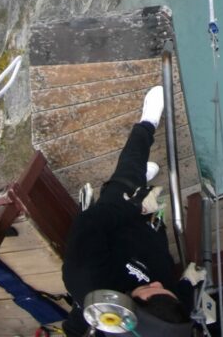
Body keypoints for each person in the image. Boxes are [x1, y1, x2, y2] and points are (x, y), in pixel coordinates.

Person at [62, 85, 192, 337]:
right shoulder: (160, 313)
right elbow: (175, 303)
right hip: (150, 231)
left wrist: (134, 206)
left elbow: (90, 223)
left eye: (152, 290)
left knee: (128, 174)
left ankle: (147, 123)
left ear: (127, 308)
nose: (157, 283)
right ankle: (142, 181)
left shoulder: (86, 278)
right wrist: (187, 285)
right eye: (165, 290)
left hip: (116, 218)